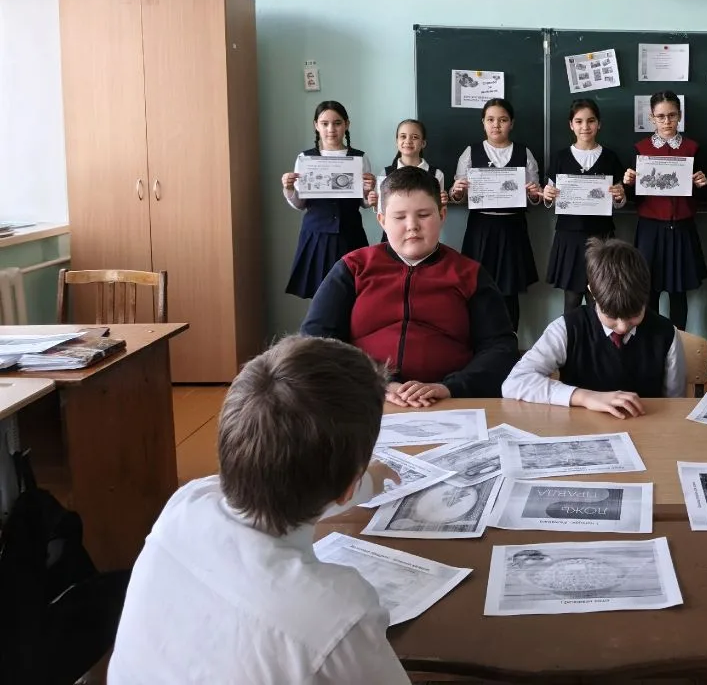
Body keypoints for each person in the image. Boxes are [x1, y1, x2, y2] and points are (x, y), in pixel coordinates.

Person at [108, 335, 410, 684]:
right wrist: (356, 482)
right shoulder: (338, 616)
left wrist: (363, 482)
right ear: (348, 486)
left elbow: (278, 493)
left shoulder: (186, 504)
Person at [302, 167, 518, 405]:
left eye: (423, 215)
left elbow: (500, 348)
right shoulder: (353, 268)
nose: (412, 226)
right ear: (382, 220)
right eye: (399, 217)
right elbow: (315, 338)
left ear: (442, 215)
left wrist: (450, 388)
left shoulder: (469, 274)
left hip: (450, 401)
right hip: (365, 398)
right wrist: (380, 382)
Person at [502, 238, 686, 417]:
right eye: (611, 316)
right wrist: (584, 396)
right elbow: (515, 382)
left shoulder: (666, 334)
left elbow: (676, 404)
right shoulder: (568, 328)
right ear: (592, 293)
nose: (622, 327)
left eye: (634, 315)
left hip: (646, 428)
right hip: (580, 430)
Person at [450, 98, 543, 332]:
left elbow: (535, 197)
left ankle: (509, 342)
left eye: (502, 120)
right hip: (481, 227)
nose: (496, 125)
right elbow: (458, 195)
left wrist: (534, 194)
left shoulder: (524, 153)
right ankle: (480, 343)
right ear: (483, 122)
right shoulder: (471, 152)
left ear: (511, 123)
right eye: (490, 119)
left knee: (509, 292)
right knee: (478, 287)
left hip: (513, 228)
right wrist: (457, 191)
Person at [623, 91, 707, 330]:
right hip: (650, 230)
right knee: (648, 291)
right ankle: (650, 341)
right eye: (660, 116)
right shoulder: (640, 149)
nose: (666, 121)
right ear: (651, 118)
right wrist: (628, 184)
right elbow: (632, 198)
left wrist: (703, 185)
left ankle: (678, 342)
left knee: (678, 293)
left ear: (680, 116)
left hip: (682, 228)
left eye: (672, 115)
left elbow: (704, 198)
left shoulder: (693, 149)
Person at [282, 100, 376, 299]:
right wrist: (289, 188)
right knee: (320, 295)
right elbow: (300, 204)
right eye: (325, 124)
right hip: (317, 235)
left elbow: (364, 203)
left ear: (347, 124)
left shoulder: (359, 158)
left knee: (353, 293)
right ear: (316, 125)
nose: (331, 129)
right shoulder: (305, 159)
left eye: (337, 123)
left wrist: (369, 190)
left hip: (350, 234)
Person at [542, 99, 627, 316]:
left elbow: (619, 199)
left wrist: (619, 197)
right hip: (569, 236)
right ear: (571, 125)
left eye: (591, 121)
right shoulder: (560, 157)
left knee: (598, 298)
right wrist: (548, 196)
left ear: (599, 124)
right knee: (571, 298)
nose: (585, 126)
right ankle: (571, 337)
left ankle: (596, 337)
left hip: (601, 236)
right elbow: (550, 199)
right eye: (579, 121)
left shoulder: (610, 157)